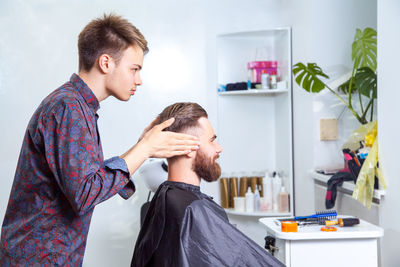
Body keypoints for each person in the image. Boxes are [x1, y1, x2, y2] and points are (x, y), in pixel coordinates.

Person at [0, 14, 200, 266]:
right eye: (134, 69)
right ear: (106, 62)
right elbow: (84, 193)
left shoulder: (78, 108)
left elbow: (85, 180)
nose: (139, 79)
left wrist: (143, 147)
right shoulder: (68, 108)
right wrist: (143, 148)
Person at [131, 102, 284, 267]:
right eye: (212, 141)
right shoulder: (194, 209)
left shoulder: (165, 195)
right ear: (188, 147)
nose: (219, 149)